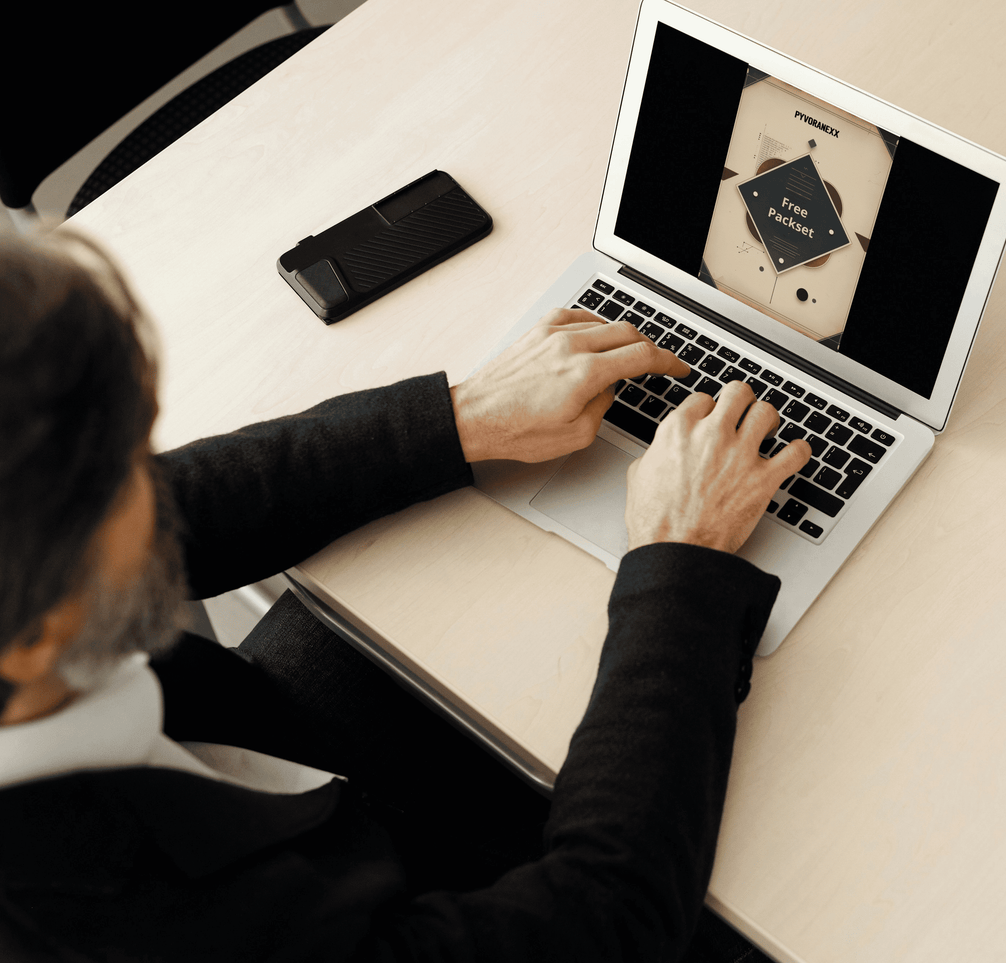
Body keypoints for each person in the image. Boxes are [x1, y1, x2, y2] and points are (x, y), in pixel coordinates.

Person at [0, 231, 810, 961]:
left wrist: (463, 419)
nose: (154, 480)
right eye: (124, 470)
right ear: (36, 634)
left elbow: (184, 507)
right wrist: (680, 564)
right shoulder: (134, 932)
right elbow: (601, 921)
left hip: (274, 764)